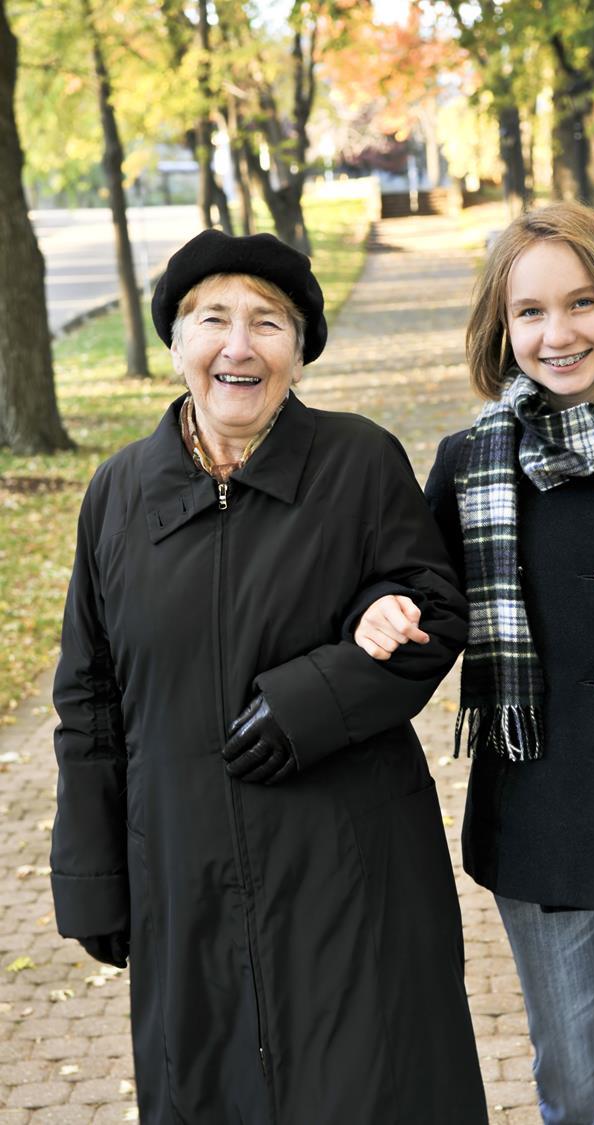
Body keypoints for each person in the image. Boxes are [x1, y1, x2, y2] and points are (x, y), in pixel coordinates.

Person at [50, 230, 489, 1125]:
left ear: (299, 348)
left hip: (350, 875)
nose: (238, 346)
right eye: (213, 319)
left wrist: (307, 702)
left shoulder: (359, 462)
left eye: (269, 323)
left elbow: (430, 610)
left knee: (368, 1091)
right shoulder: (117, 492)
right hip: (182, 877)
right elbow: (87, 697)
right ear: (177, 341)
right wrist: (94, 874)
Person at [354, 201, 594, 1123]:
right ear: (500, 326)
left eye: (581, 304)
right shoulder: (468, 464)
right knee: (574, 1096)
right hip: (539, 830)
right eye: (529, 311)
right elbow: (419, 599)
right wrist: (377, 609)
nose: (557, 333)